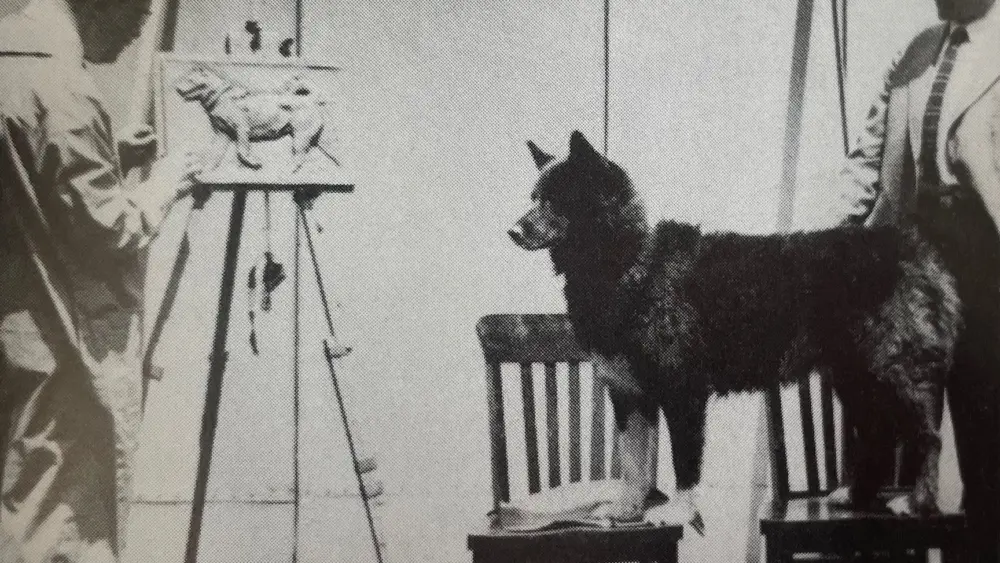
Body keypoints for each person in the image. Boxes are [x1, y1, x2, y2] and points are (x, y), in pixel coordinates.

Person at [0, 0, 197, 560]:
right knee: (53, 519)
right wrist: (166, 180)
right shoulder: (61, 87)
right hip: (56, 345)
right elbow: (110, 230)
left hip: (10, 332)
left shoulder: (12, 60)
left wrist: (107, 153)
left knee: (14, 498)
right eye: (138, 20)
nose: (136, 38)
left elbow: (26, 181)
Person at [838, 0, 1000, 559]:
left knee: (987, 453)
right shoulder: (915, 54)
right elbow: (868, 161)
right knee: (901, 451)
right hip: (911, 268)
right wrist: (831, 242)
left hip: (987, 269)